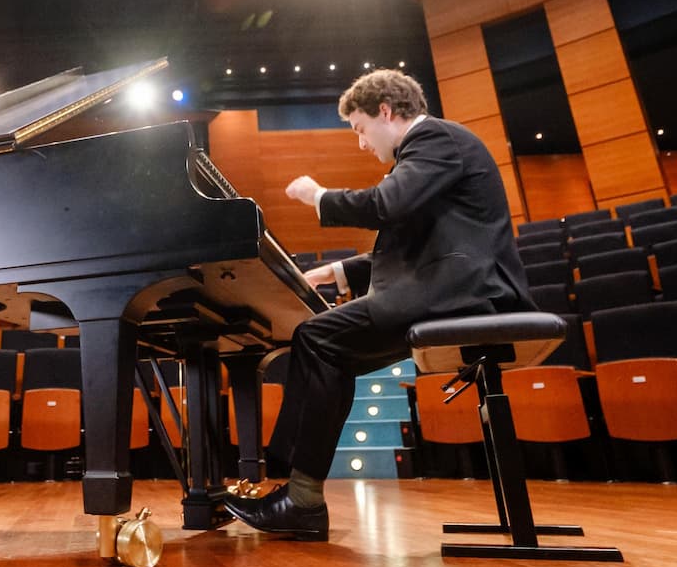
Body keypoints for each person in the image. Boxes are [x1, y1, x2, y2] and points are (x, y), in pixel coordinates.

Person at [223, 68, 535, 541]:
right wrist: (337, 272)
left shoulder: (434, 139)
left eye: (359, 128)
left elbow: (386, 205)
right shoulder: (436, 151)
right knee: (332, 348)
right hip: (457, 288)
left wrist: (318, 196)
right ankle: (298, 491)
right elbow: (416, 244)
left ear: (386, 112)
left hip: (467, 293)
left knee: (317, 336)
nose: (361, 143)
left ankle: (299, 493)